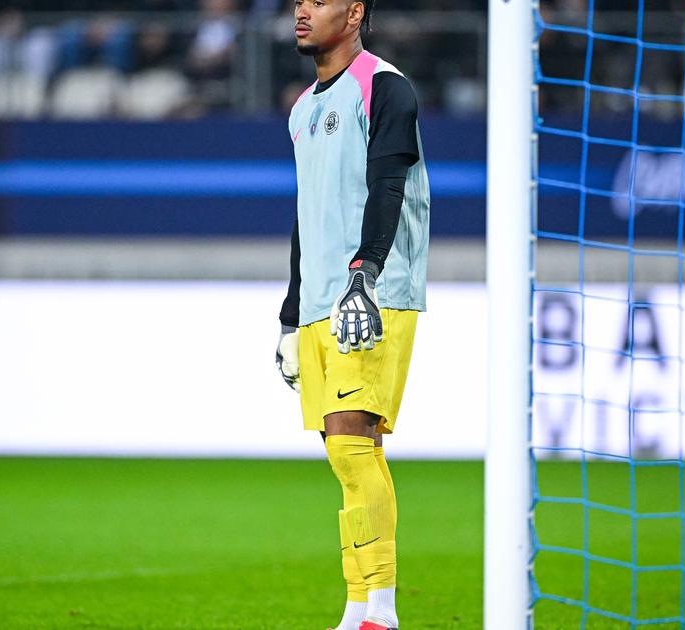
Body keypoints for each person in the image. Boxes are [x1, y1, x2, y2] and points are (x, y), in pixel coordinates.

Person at [273, 1, 429, 629]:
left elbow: (389, 184)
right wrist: (289, 314)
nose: (302, 10)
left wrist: (362, 275)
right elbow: (305, 215)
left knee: (351, 446)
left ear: (356, 11)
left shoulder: (385, 87)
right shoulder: (302, 109)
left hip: (372, 291)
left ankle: (381, 613)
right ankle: (360, 606)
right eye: (299, 1)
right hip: (318, 300)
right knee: (348, 453)